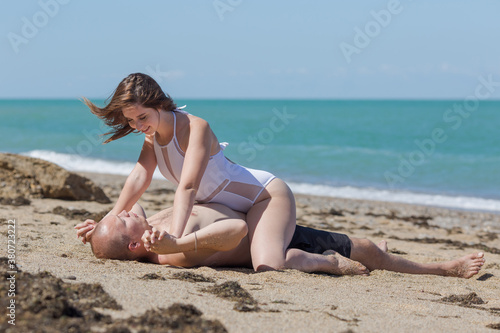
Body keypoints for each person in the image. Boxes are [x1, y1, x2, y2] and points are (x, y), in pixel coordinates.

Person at [84, 73, 295, 271]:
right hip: (226, 208)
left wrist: (174, 239)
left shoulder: (196, 128)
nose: (137, 126)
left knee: (269, 265)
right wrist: (106, 226)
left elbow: (188, 187)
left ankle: (327, 261)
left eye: (142, 117)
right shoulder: (153, 135)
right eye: (131, 121)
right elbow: (139, 177)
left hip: (264, 198)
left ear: (158, 103)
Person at [75, 203, 485, 279]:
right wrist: (181, 240)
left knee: (365, 246)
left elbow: (136, 207)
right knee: (371, 251)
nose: (126, 210)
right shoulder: (170, 254)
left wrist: (100, 230)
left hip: (269, 225)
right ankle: (443, 269)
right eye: (123, 221)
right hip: (263, 236)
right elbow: (234, 232)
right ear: (136, 247)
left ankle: (302, 258)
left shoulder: (148, 232)